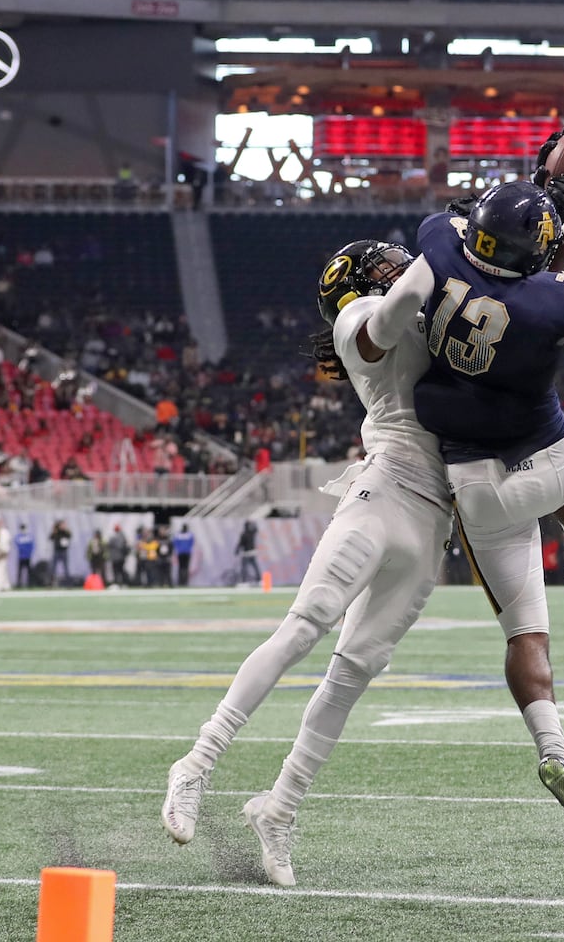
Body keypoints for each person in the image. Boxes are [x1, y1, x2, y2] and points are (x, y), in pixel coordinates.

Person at [163, 239, 454, 887]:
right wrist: (448, 242)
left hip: (437, 517)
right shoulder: (359, 320)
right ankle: (197, 762)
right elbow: (404, 297)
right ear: (349, 286)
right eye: (379, 263)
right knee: (305, 624)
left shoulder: (439, 316)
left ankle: (280, 810)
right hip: (384, 490)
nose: (397, 264)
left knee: (353, 674)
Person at [399, 148, 564, 842]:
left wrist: (531, 202)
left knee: (525, 631)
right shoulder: (544, 305)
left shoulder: (439, 244)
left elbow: (460, 224)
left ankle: (554, 751)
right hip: (542, 462)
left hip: (469, 485)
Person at [49, 519, 72, 586]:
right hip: (57, 551)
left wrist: (66, 529)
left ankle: (68, 583)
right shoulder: (56, 532)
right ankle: (51, 583)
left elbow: (70, 536)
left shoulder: (65, 532)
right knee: (53, 567)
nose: (63, 526)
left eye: (63, 525)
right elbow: (51, 538)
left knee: (66, 568)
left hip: (64, 551)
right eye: (61, 525)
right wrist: (54, 531)